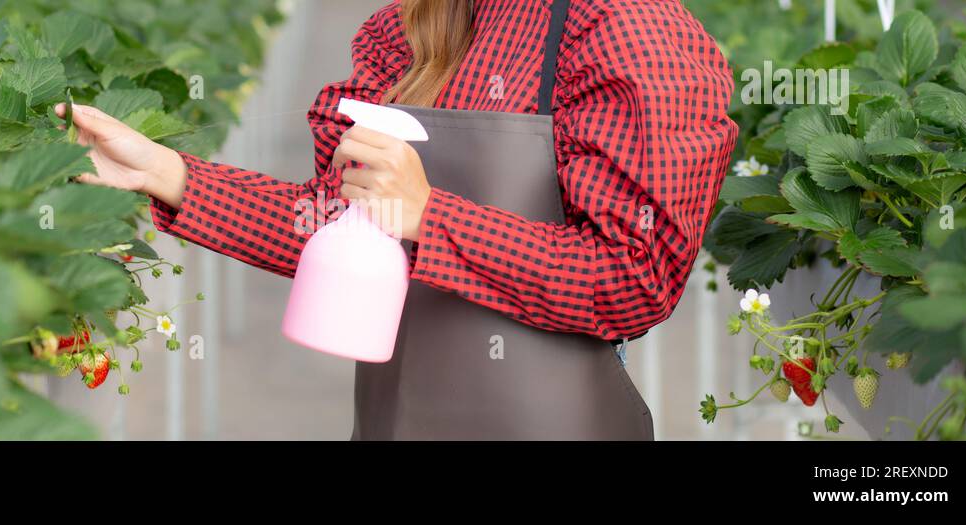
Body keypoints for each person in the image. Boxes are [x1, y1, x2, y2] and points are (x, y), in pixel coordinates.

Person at [56, 0, 737, 440]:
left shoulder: (629, 29)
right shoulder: (415, 25)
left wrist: (431, 215)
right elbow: (338, 229)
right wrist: (166, 173)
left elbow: (633, 276)